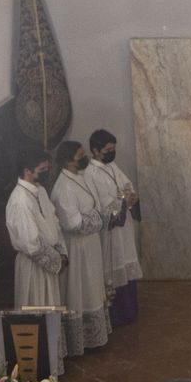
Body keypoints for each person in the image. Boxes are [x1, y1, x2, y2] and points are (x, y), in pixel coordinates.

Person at [49, 140, 110, 354]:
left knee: (92, 287)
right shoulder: (63, 187)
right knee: (80, 289)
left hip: (90, 244)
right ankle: (81, 339)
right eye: (79, 155)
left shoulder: (79, 176)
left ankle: (95, 334)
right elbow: (73, 223)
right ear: (68, 160)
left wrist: (96, 216)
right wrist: (99, 220)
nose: (83, 158)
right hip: (77, 247)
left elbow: (94, 206)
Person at [85, 129, 142, 326]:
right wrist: (122, 201)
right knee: (114, 266)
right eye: (108, 149)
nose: (112, 152)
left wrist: (131, 195)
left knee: (126, 263)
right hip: (110, 230)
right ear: (95, 150)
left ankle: (130, 311)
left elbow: (126, 185)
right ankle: (117, 315)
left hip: (123, 226)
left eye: (113, 149)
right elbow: (101, 206)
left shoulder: (111, 165)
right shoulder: (91, 174)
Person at [5, 146, 66, 310]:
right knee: (37, 309)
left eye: (47, 168)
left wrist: (61, 251)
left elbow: (54, 222)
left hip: (49, 260)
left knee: (51, 309)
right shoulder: (20, 200)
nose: (47, 172)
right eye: (42, 169)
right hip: (34, 265)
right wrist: (56, 260)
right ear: (27, 171)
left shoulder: (41, 191)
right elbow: (31, 243)